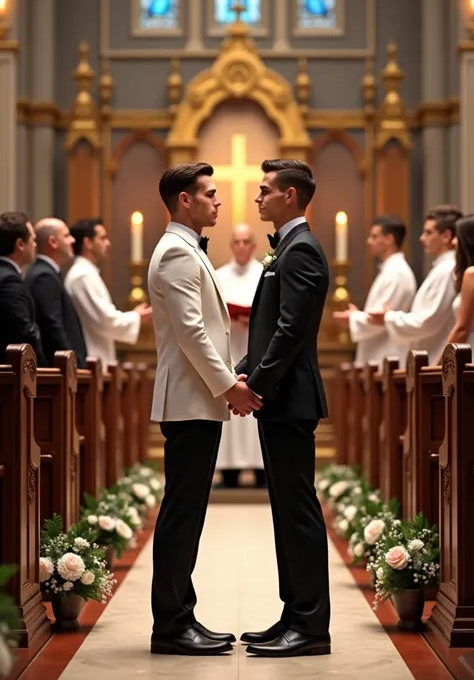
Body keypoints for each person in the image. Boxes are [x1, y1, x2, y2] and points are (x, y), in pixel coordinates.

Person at [147, 163, 262, 656]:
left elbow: (201, 330)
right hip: (191, 399)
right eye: (210, 194)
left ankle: (182, 614)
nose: (218, 201)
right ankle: (171, 626)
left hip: (199, 396)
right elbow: (192, 332)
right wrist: (227, 387)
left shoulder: (187, 246)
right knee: (181, 514)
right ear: (184, 201)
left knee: (188, 512)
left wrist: (228, 376)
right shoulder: (175, 251)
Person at [236, 159, 331, 658]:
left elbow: (293, 331)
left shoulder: (300, 251)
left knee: (298, 513)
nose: (258, 197)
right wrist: (243, 369)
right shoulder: (289, 249)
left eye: (265, 190)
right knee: (285, 511)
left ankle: (312, 627)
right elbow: (272, 328)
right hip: (281, 396)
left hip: (290, 399)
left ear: (290, 196)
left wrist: (260, 385)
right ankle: (293, 614)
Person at [368, 206, 462, 365]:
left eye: (428, 232)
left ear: (446, 236)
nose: (422, 238)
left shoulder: (446, 270)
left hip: (434, 361)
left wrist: (389, 317)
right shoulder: (442, 269)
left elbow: (427, 322)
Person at [64, 218, 152, 370]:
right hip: (91, 360)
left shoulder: (87, 273)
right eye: (102, 238)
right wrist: (137, 316)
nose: (108, 244)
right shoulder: (82, 276)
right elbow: (104, 319)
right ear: (88, 243)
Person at [215, 224, 265, 488]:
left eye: (247, 241)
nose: (242, 246)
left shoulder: (265, 274)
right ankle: (229, 472)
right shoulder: (219, 276)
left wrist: (255, 319)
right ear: (231, 245)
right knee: (231, 411)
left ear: (254, 245)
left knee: (257, 404)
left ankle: (261, 471)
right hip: (230, 350)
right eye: (237, 241)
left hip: (258, 353)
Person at [333, 216, 416, 366]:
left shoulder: (397, 273)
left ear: (389, 239)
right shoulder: (390, 270)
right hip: (379, 355)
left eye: (374, 236)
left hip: (386, 358)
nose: (369, 241)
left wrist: (353, 318)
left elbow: (380, 318)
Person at [26, 218, 87, 368]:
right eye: (66, 236)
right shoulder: (44, 276)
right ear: (53, 242)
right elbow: (53, 325)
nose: (72, 240)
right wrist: (71, 364)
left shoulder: (47, 273)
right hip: (60, 371)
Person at [0, 212, 46, 366]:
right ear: (20, 244)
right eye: (33, 240)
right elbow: (24, 333)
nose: (35, 244)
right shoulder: (9, 281)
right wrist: (46, 372)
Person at [437, 214, 474, 361]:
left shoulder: (471, 274)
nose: (453, 242)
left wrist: (440, 365)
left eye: (457, 237)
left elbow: (461, 329)